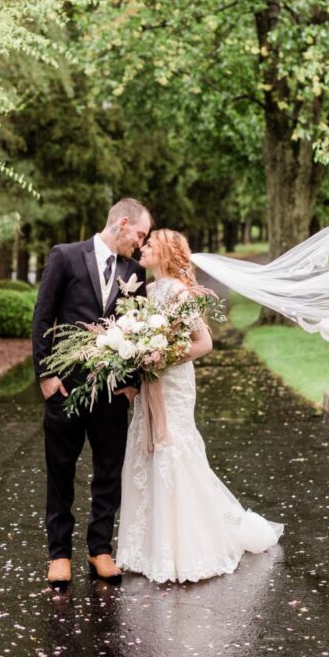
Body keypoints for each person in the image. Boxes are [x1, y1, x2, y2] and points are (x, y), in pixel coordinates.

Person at [117, 229, 284, 584]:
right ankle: (145, 550)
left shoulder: (180, 291)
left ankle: (183, 549)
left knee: (173, 449)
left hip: (173, 384)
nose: (142, 248)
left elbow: (203, 343)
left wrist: (162, 357)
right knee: (147, 449)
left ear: (164, 252)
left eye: (149, 244)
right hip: (151, 383)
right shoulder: (147, 291)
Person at [32, 197, 152, 591]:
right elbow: (43, 316)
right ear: (121, 223)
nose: (140, 243)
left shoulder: (135, 272)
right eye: (139, 234)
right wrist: (47, 376)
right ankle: (59, 555)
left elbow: (140, 328)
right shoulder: (65, 257)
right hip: (65, 388)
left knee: (107, 471)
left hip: (112, 395)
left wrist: (131, 383)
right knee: (61, 472)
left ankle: (100, 549)